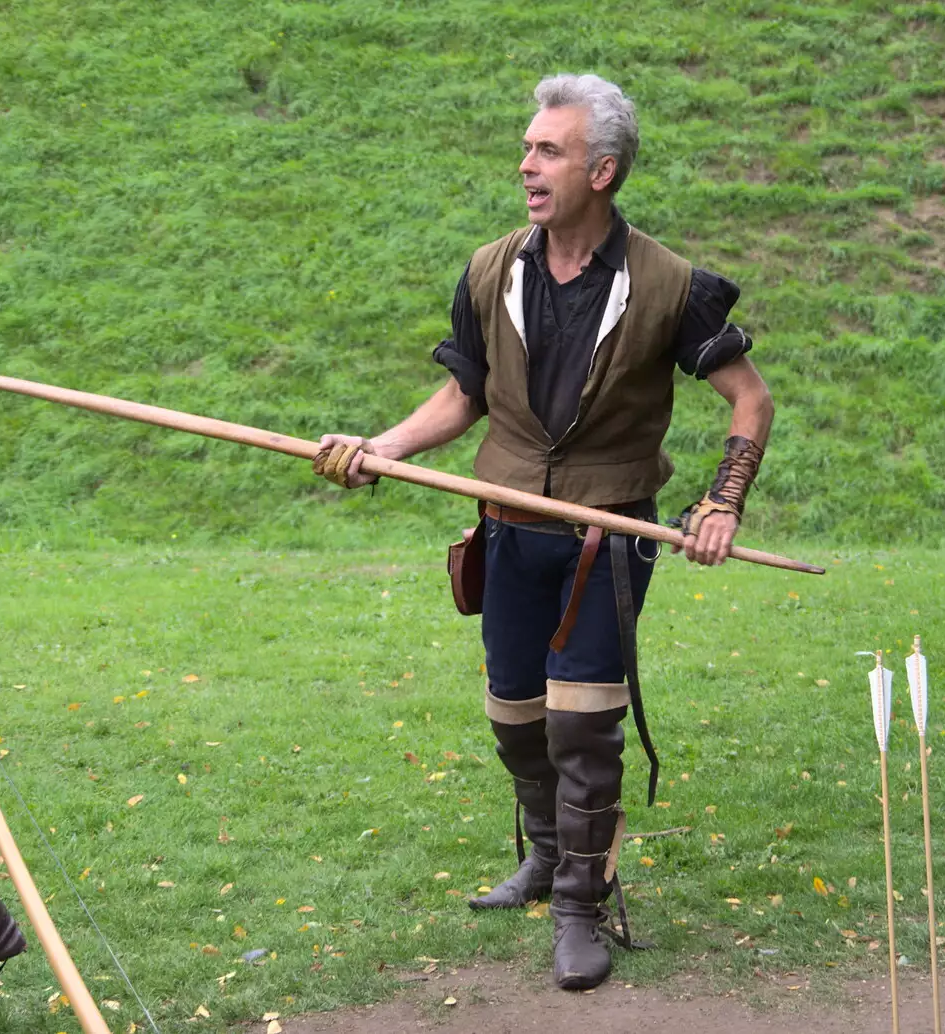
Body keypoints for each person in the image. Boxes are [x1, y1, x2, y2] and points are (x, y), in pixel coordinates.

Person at [314, 73, 773, 991]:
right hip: (510, 528)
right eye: (528, 148)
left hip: (609, 540)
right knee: (516, 716)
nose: (527, 164)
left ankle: (578, 905)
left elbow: (749, 400)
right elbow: (465, 395)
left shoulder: (668, 284)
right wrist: (382, 446)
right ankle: (543, 855)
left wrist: (722, 502)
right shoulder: (492, 269)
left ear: (602, 171)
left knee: (583, 727)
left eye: (548, 151)